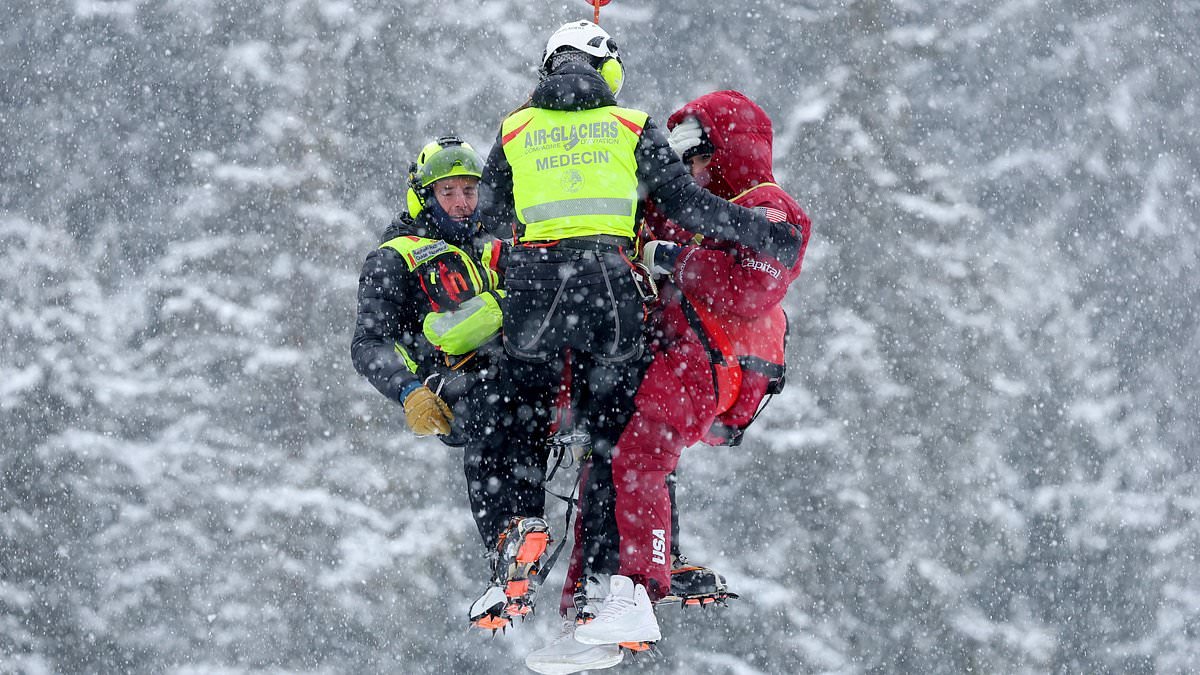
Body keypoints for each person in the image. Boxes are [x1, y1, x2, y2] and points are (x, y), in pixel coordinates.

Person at [473, 19, 804, 672]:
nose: (693, 162)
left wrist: (512, 259)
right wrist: (734, 231)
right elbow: (680, 201)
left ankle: (571, 556)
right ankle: (605, 593)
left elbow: (488, 215)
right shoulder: (628, 128)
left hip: (559, 305)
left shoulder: (515, 129)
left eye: (700, 150)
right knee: (614, 444)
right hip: (615, 307)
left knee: (544, 421)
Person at [350, 135, 555, 632]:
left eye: (470, 191)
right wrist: (408, 390)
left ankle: (531, 550)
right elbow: (368, 343)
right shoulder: (396, 257)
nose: (464, 203)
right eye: (450, 193)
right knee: (495, 414)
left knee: (540, 420)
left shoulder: (501, 240)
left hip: (526, 371)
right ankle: (504, 544)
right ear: (424, 197)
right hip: (457, 380)